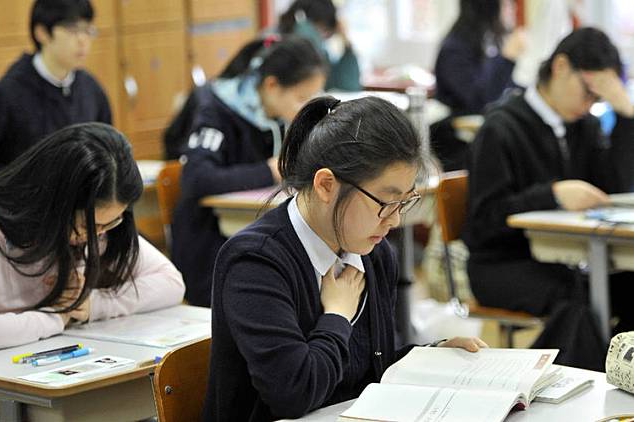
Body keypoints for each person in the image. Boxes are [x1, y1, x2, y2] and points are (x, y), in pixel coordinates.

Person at [202, 96, 487, 421]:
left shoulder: (375, 253)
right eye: (386, 202)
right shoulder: (255, 262)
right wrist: (337, 315)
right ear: (326, 185)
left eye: (404, 202)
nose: (395, 220)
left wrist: (429, 358)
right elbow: (293, 395)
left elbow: (369, 371)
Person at [464, 27, 634, 368]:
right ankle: (569, 385)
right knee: (580, 300)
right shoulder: (500, 128)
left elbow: (615, 190)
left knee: (628, 287)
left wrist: (626, 117)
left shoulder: (584, 127)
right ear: (560, 67)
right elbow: (484, 222)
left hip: (568, 259)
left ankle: (619, 378)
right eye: (589, 91)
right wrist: (552, 195)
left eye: (599, 98)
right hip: (502, 264)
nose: (590, 104)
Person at [0, 122, 185, 351]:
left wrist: (92, 304)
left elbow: (171, 282)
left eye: (110, 222)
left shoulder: (102, 229)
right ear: (55, 203)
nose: (97, 236)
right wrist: (55, 317)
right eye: (87, 225)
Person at [170, 35, 326, 307]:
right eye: (301, 98)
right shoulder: (215, 110)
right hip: (208, 245)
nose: (306, 107)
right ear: (272, 85)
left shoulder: (277, 118)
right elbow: (196, 178)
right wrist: (269, 171)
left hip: (256, 235)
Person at [0, 0, 111, 176]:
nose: (83, 40)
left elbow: (107, 152)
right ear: (42, 33)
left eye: (87, 30)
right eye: (72, 30)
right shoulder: (7, 94)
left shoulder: (91, 89)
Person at [432, 0, 526, 171]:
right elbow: (479, 100)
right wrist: (506, 58)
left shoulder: (489, 40)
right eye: (506, 4)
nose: (511, 9)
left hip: (486, 133)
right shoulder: (455, 48)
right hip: (456, 142)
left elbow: (508, 89)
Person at [278, 0, 361, 91]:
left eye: (326, 32)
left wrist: (346, 42)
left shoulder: (321, 55)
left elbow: (349, 86)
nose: (320, 37)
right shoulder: (274, 45)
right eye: (321, 30)